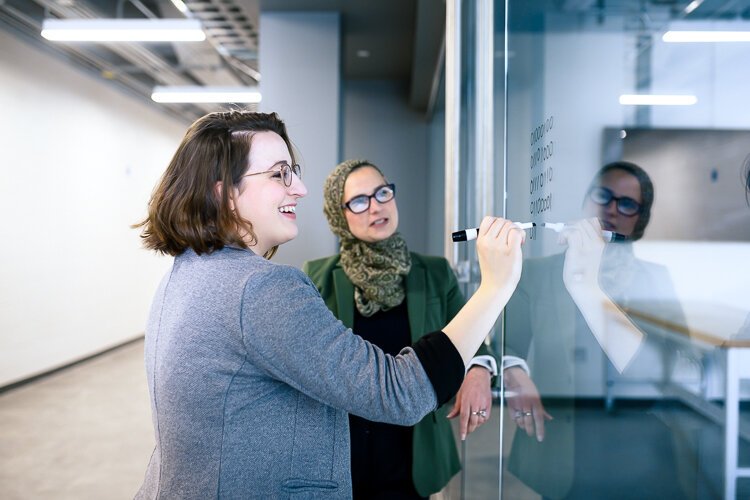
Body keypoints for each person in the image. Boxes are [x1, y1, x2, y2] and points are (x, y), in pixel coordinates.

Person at [132, 110, 524, 499]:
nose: (299, 188)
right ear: (223, 192)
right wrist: (495, 286)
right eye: (279, 173)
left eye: (293, 170)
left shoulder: (185, 274)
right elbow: (399, 392)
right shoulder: (262, 289)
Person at [303, 159, 516, 498]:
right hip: (344, 447)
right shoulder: (317, 277)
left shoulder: (434, 272)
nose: (376, 206)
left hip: (415, 447)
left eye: (382, 193)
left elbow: (474, 340)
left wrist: (477, 370)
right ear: (338, 215)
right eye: (360, 201)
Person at [504, 161, 688, 499]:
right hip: (563, 442)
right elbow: (504, 344)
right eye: (603, 195)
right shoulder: (537, 273)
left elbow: (675, 361)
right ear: (587, 199)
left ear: (640, 219)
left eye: (627, 203)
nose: (611, 209)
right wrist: (515, 373)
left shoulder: (655, 279)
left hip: (639, 448)